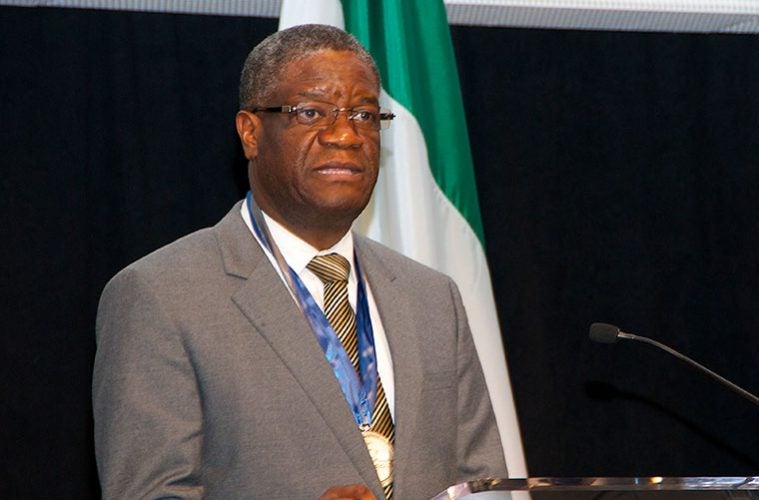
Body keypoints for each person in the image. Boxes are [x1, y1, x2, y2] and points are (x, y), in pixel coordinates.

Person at [93, 24, 506, 499]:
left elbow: (483, 484)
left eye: (365, 115)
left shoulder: (432, 296)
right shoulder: (161, 295)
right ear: (250, 133)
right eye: (312, 112)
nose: (346, 135)